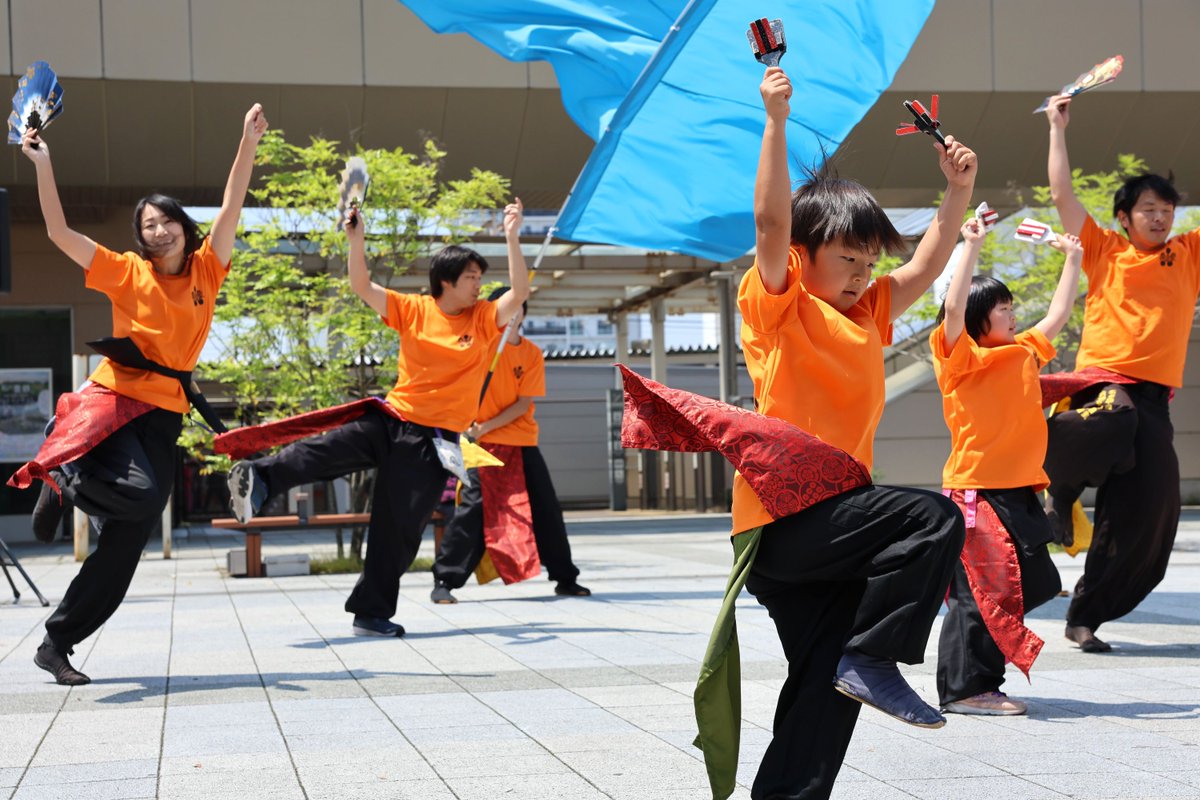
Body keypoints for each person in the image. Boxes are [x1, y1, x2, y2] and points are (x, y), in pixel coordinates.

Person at [730, 65, 973, 799]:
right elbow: (773, 223)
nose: (864, 274)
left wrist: (956, 191)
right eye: (848, 258)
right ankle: (873, 654)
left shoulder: (866, 313)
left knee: (825, 694)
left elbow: (927, 263)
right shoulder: (780, 304)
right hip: (785, 522)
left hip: (833, 529)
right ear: (804, 258)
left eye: (870, 262)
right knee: (930, 516)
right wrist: (774, 121)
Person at [8, 105, 269, 685]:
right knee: (145, 497)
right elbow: (58, 233)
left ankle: (57, 641)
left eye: (166, 221)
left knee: (127, 546)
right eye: (147, 225)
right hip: (114, 406)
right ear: (141, 237)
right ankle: (65, 473)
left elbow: (232, 205)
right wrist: (43, 165)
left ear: (181, 225)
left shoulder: (206, 271)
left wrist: (246, 141)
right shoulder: (127, 272)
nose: (158, 230)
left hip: (166, 413)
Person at [226, 200, 530, 638]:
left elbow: (517, 294)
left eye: (481, 278)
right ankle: (259, 480)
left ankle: (371, 612)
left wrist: (512, 237)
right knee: (323, 449)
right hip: (392, 419)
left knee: (398, 528)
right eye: (471, 277)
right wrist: (356, 240)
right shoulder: (413, 309)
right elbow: (361, 285)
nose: (479, 285)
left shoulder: (483, 319)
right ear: (445, 281)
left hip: (434, 443)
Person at [1043, 93, 1199, 653]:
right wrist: (1058, 129)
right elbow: (1062, 194)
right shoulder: (1105, 250)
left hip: (1155, 400)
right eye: (1147, 209)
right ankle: (1057, 489)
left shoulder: (1189, 255)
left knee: (1151, 512)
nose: (1158, 217)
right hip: (1102, 385)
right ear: (1125, 217)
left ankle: (1086, 613)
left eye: (1166, 209)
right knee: (1116, 417)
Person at [930, 218, 1081, 715]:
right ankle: (967, 689)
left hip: (1017, 491)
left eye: (1013, 307)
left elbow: (1058, 316)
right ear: (978, 316)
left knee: (1035, 583)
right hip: (977, 492)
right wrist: (970, 245)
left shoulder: (1021, 353)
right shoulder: (960, 358)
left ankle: (977, 677)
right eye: (1003, 308)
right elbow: (952, 307)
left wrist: (1073, 259)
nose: (1013, 315)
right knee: (981, 593)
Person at [430, 289, 589, 603]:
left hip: (520, 439)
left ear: (524, 314)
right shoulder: (479, 346)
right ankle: (445, 580)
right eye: (506, 308)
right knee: (475, 508)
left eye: (518, 308)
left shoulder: (531, 353)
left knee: (546, 508)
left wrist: (484, 426)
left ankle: (565, 577)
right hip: (482, 445)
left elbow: (522, 404)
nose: (512, 314)